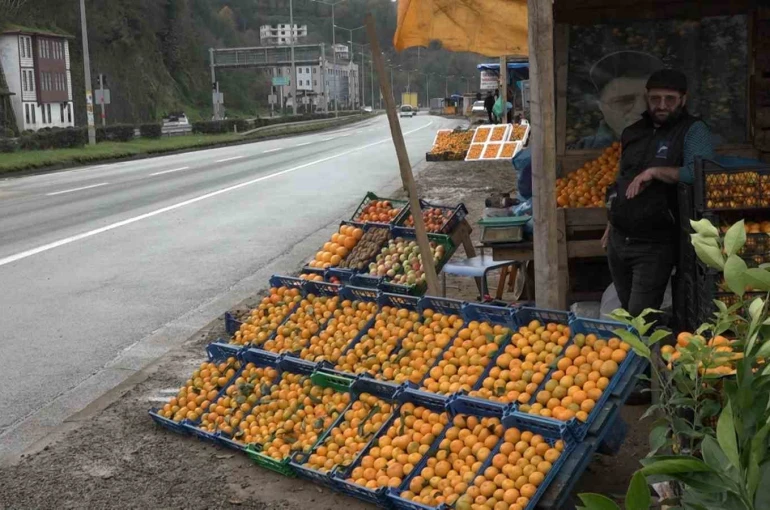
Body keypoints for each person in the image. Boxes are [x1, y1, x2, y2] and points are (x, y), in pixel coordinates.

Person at [602, 68, 715, 319]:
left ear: (683, 100)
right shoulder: (632, 132)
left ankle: (652, 354)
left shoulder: (693, 131)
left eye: (670, 99)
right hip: (619, 240)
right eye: (655, 98)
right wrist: (612, 219)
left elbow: (701, 173)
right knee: (630, 314)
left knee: (641, 315)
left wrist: (655, 172)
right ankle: (650, 354)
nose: (661, 105)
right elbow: (622, 179)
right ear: (646, 97)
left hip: (656, 243)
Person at [570, 51, 664, 150]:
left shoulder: (677, 148)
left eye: (653, 100)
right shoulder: (580, 149)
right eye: (624, 101)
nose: (642, 109)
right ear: (601, 106)